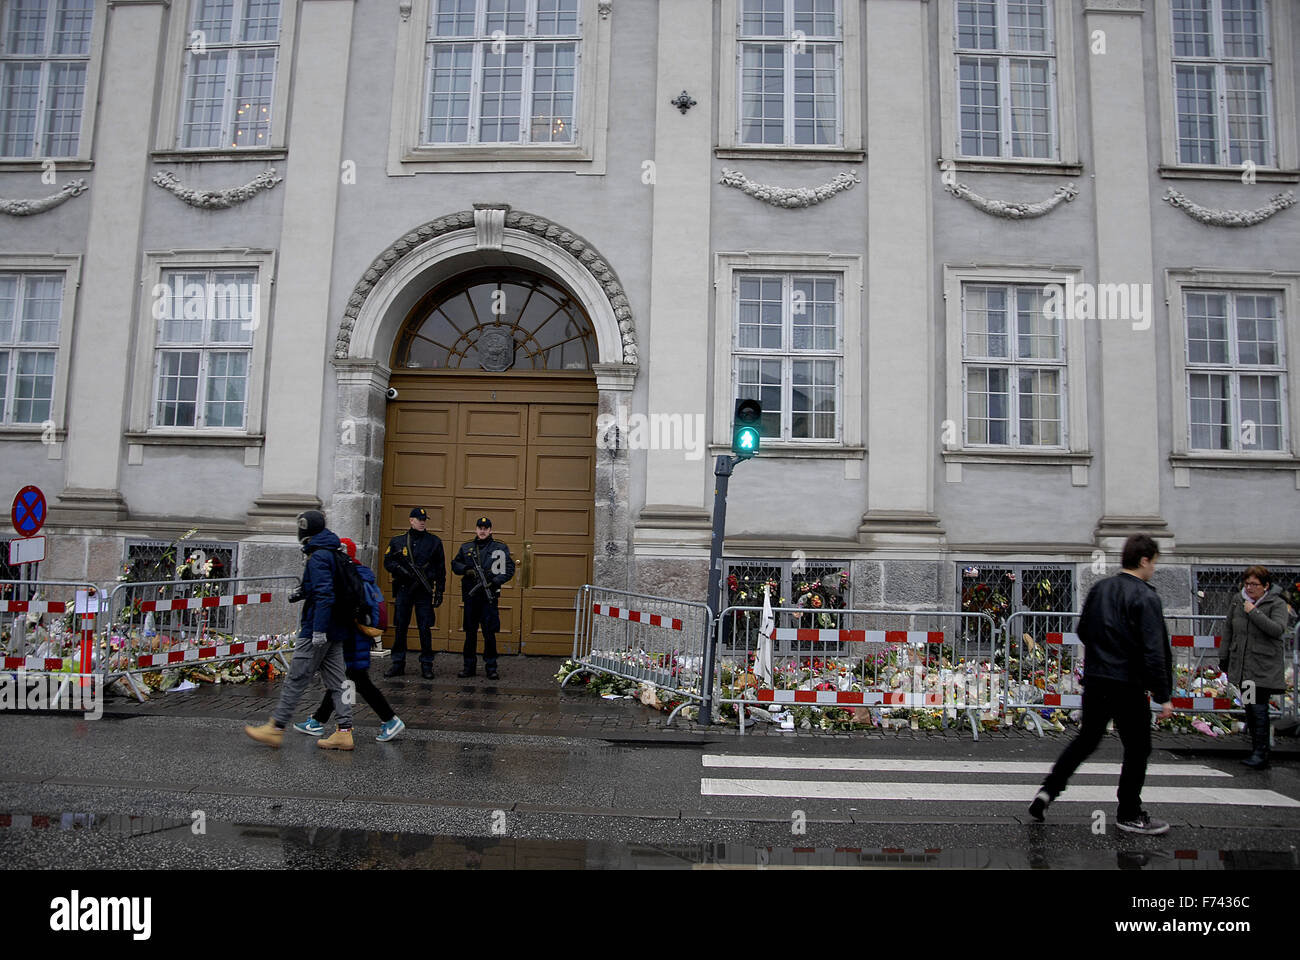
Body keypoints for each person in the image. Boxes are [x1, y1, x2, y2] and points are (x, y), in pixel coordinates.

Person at [1028, 534, 1174, 835]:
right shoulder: (1146, 597)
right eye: (1154, 563)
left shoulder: (1101, 588)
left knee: (1086, 740)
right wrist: (1164, 695)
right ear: (1144, 560)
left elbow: (1083, 630)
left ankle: (1047, 792)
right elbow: (1154, 649)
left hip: (1096, 680)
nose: (1154, 569)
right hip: (1128, 684)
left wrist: (1101, 656)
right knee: (1138, 747)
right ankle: (1129, 812)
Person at [245, 510, 355, 750]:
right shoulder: (333, 551)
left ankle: (276, 728)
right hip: (336, 629)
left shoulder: (318, 556)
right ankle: (345, 731)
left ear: (304, 529)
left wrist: (317, 631)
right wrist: (301, 593)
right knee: (340, 682)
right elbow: (320, 588)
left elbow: (325, 595)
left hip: (319, 627)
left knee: (296, 678)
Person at [295, 538, 406, 743]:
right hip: (356, 637)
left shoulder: (348, 575)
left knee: (354, 681)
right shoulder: (357, 573)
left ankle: (390, 720)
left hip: (351, 638)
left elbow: (343, 606)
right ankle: (319, 720)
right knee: (344, 680)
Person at [1220, 565, 1290, 769]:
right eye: (1247, 583)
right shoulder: (1238, 600)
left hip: (1263, 667)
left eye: (1255, 584)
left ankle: (1261, 753)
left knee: (1259, 708)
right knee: (1251, 707)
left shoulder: (1276, 603)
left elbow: (1277, 629)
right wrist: (1224, 656)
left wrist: (1254, 612)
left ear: (1265, 586)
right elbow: (1228, 629)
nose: (1249, 588)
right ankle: (1257, 748)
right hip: (1245, 667)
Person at [382, 507, 446, 679]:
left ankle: (427, 663)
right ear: (411, 520)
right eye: (418, 519)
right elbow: (388, 561)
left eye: (424, 519)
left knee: (424, 627)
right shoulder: (399, 541)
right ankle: (398, 663)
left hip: (423, 591)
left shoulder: (434, 542)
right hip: (404, 589)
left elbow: (441, 569)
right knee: (400, 627)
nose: (422, 521)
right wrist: (399, 570)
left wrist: (439, 590)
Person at [450, 516, 515, 680]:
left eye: (486, 528)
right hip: (471, 597)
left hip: (489, 597)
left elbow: (508, 568)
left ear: (490, 530)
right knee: (470, 633)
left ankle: (491, 667)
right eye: (480, 528)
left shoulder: (499, 548)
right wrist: (466, 570)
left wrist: (495, 581)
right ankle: (468, 667)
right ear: (476, 529)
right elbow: (455, 565)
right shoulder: (467, 548)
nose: (482, 531)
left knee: (489, 634)